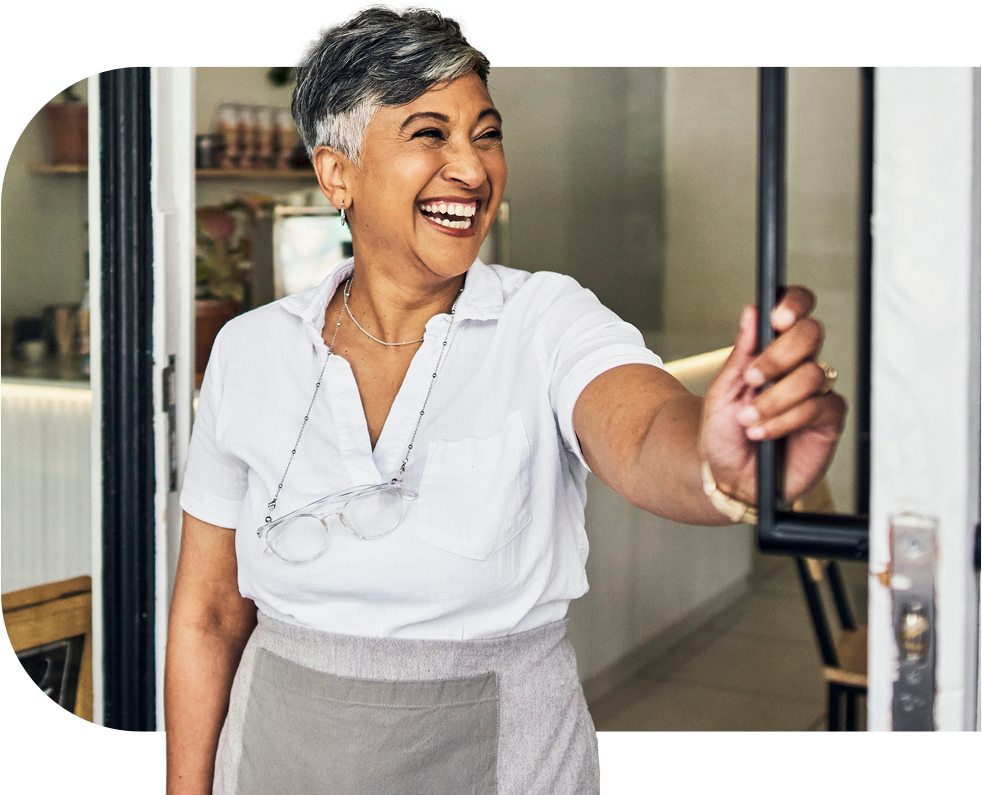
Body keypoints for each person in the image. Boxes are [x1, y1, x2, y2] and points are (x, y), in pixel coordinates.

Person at [165, 4, 846, 794]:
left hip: (504, 763)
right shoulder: (252, 351)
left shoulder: (545, 319)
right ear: (336, 173)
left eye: (486, 134)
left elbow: (642, 428)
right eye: (430, 134)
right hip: (277, 760)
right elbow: (209, 614)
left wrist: (720, 458)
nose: (472, 168)